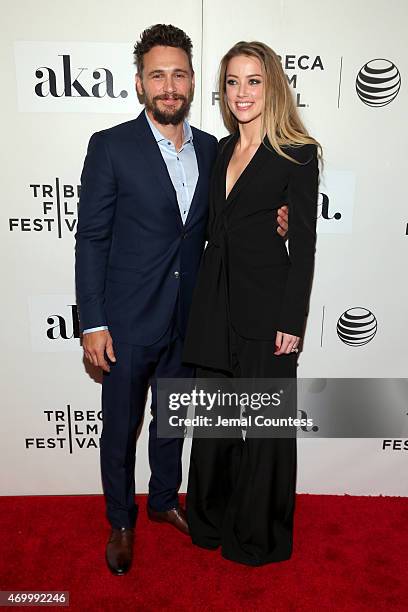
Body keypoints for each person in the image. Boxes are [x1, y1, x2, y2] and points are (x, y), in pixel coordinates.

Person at [75, 26, 289, 575]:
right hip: (126, 319)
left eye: (178, 74)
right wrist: (93, 321)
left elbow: (242, 210)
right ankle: (121, 519)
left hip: (194, 318)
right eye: (157, 75)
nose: (168, 86)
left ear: (193, 82)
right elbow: (92, 239)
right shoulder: (110, 146)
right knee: (121, 426)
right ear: (140, 83)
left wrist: (279, 218)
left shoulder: (215, 150)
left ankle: (166, 500)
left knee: (172, 420)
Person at [182, 41, 320, 566]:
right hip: (215, 306)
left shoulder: (297, 151)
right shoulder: (219, 149)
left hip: (269, 312)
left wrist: (293, 320)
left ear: (272, 86)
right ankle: (211, 521)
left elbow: (303, 244)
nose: (242, 92)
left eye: (254, 81)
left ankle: (258, 536)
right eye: (233, 82)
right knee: (214, 427)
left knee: (265, 433)